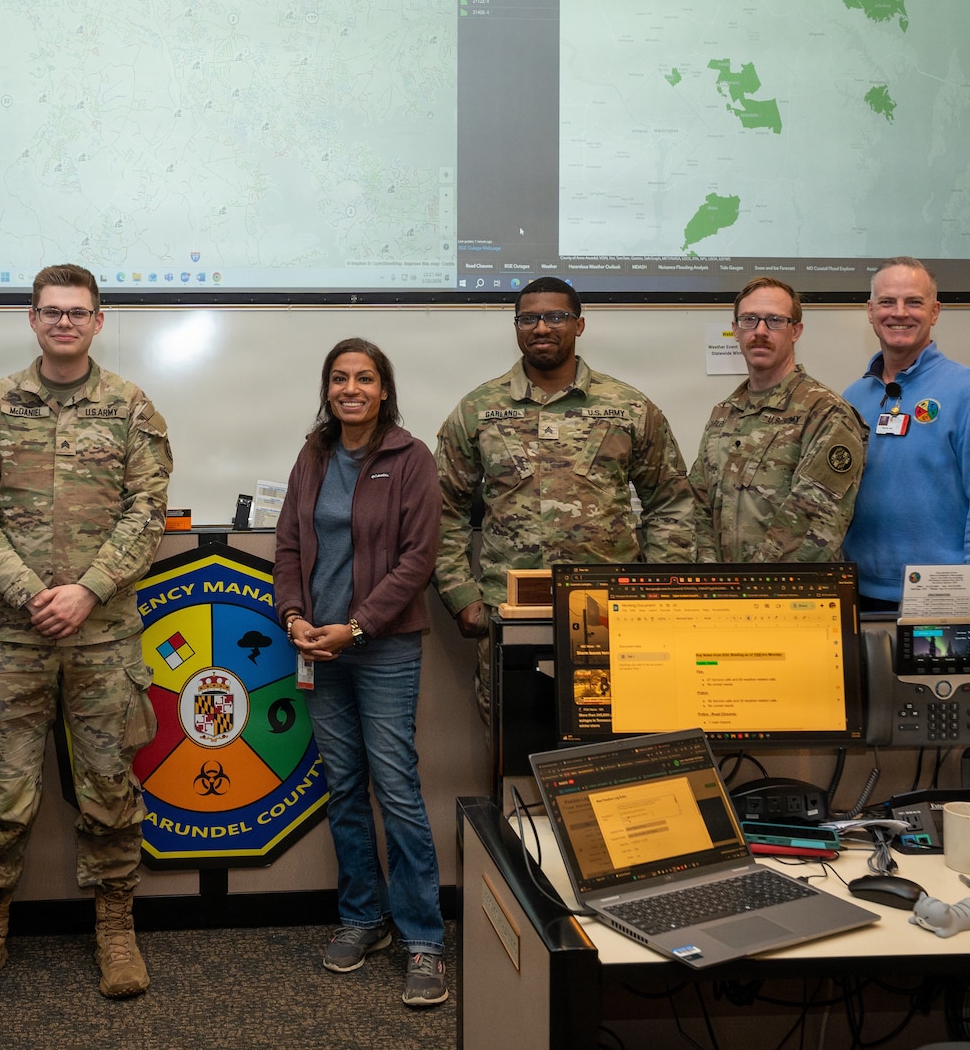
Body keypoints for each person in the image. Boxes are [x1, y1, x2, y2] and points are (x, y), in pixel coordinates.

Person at [0, 263, 172, 1005]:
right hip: (13, 639)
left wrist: (88, 590)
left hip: (103, 637)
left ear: (98, 321)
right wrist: (33, 593)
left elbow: (148, 511)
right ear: (33, 319)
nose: (65, 322)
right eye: (52, 311)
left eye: (78, 311)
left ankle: (116, 926)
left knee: (110, 789)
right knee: (2, 794)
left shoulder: (131, 407)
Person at [274, 339, 446, 1007]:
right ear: (328, 389)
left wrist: (359, 626)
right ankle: (362, 918)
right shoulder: (313, 455)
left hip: (383, 647)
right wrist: (294, 617)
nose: (352, 388)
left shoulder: (410, 457)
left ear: (384, 389)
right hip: (318, 647)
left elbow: (418, 559)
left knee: (396, 788)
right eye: (340, 378)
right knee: (343, 787)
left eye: (365, 378)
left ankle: (423, 937)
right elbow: (290, 544)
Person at [435, 276, 694, 711]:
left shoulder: (628, 407)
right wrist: (462, 596)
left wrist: (656, 593)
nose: (541, 328)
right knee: (514, 740)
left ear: (579, 324)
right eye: (529, 319)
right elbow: (443, 508)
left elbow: (672, 504)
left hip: (608, 614)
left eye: (556, 317)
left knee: (610, 735)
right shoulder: (478, 409)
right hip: (510, 614)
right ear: (517, 328)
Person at [842, 258, 970, 609]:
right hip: (858, 591)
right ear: (870, 312)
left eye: (914, 302)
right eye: (887, 302)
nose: (899, 313)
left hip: (943, 595)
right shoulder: (852, 399)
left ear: (935, 311)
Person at [689, 277, 865, 562]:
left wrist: (755, 582)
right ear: (735, 330)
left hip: (792, 586)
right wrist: (713, 576)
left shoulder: (825, 412)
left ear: (795, 331)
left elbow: (815, 522)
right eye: (749, 320)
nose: (760, 331)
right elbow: (698, 507)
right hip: (724, 587)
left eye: (775, 321)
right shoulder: (724, 413)